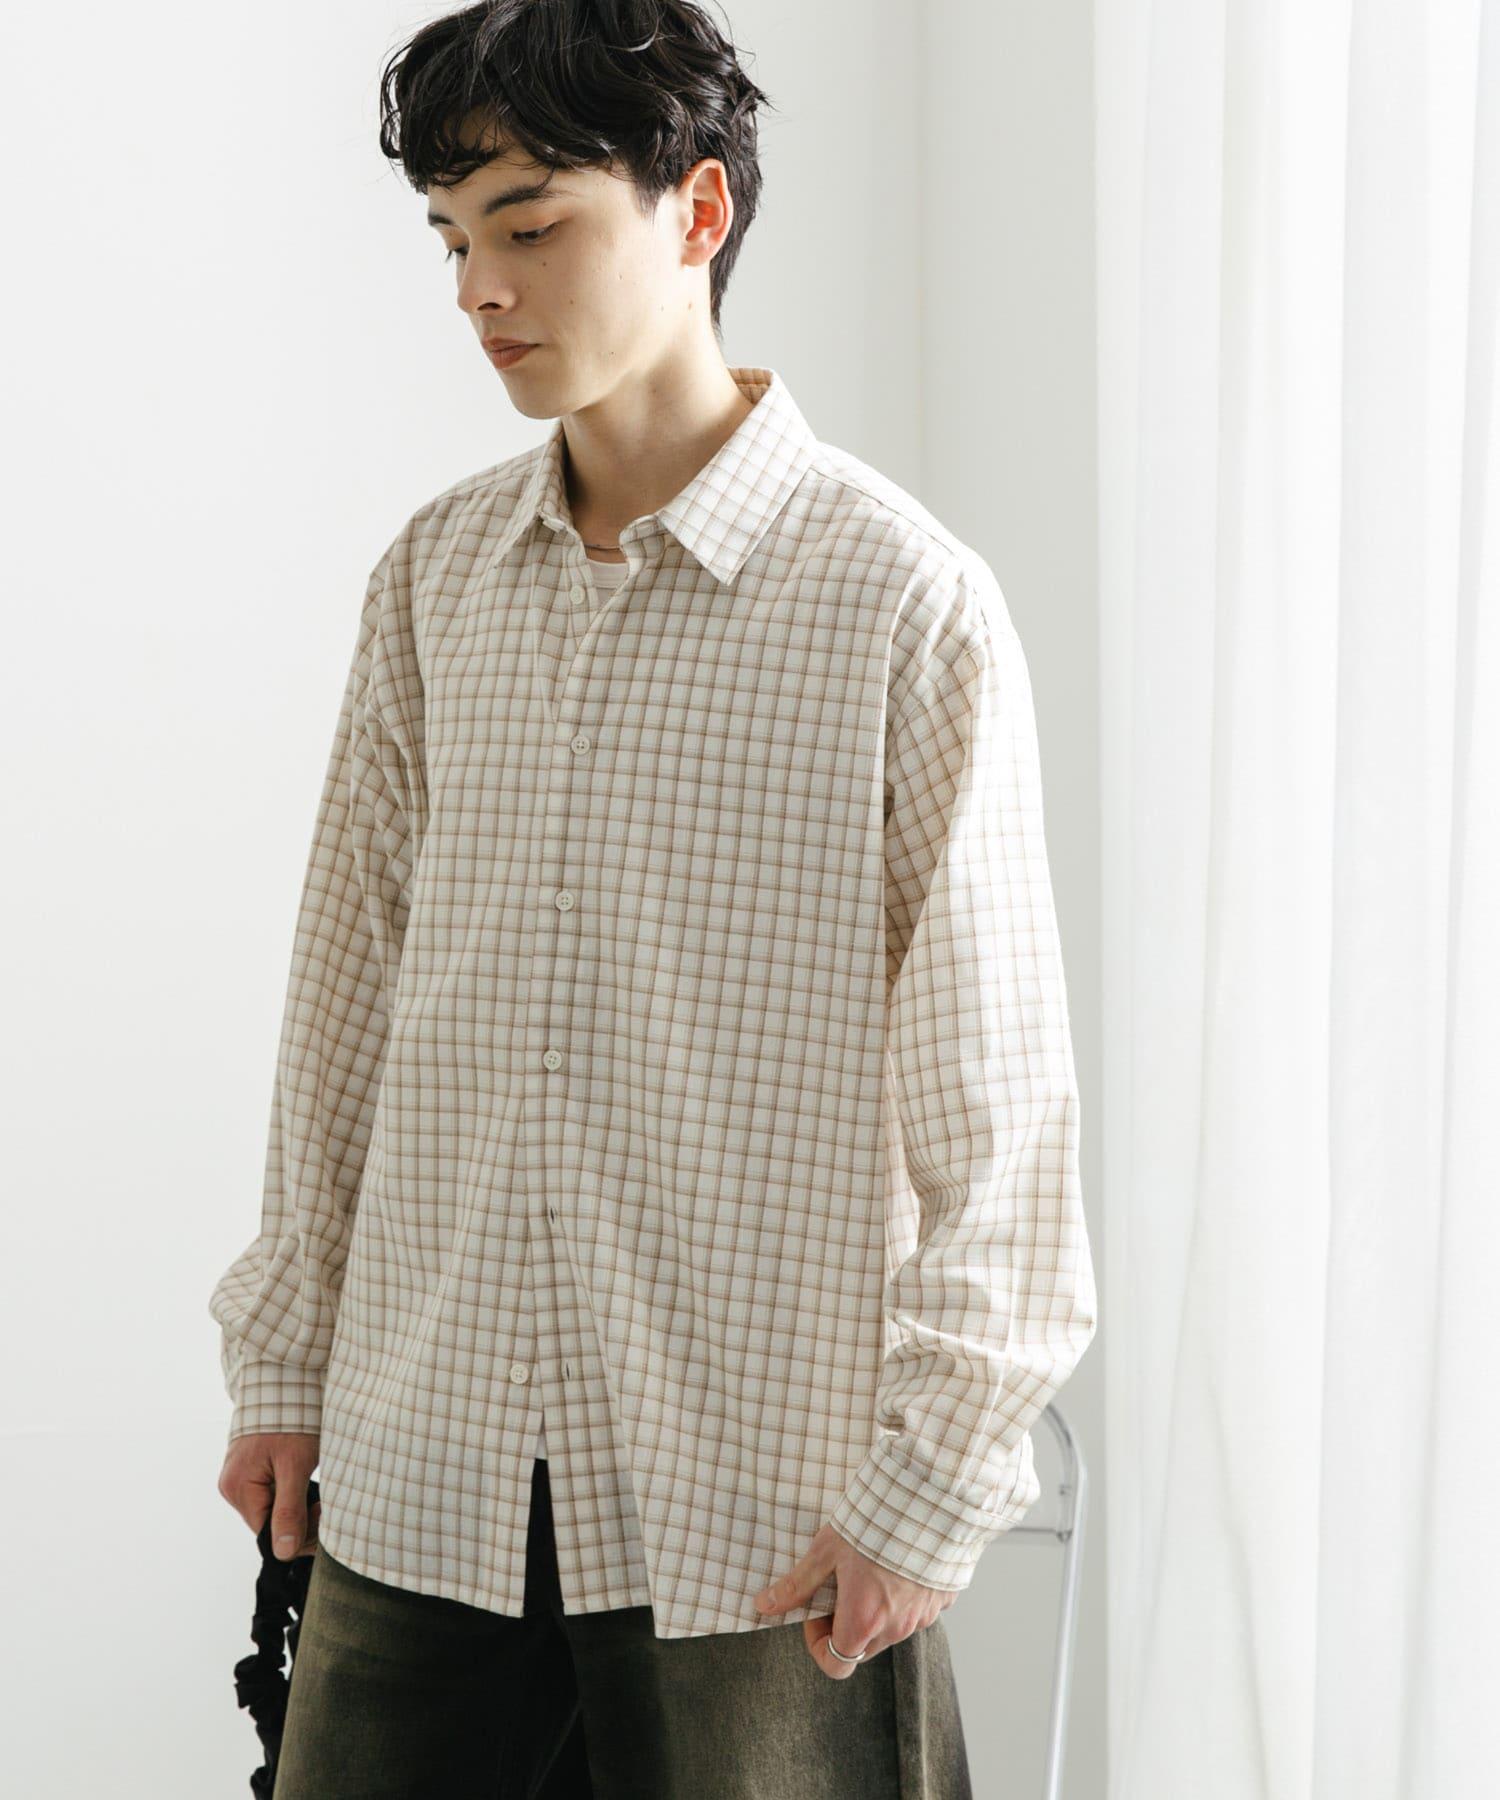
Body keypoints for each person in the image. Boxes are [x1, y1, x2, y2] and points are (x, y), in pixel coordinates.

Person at [209, 2, 1098, 1794]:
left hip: (758, 1507)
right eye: (452, 239)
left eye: (531, 225)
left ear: (698, 211)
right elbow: (345, 1005)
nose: (481, 289)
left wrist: (933, 1483)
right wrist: (285, 1356)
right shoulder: (433, 581)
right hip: (425, 1463)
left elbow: (996, 1110)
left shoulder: (899, 604)